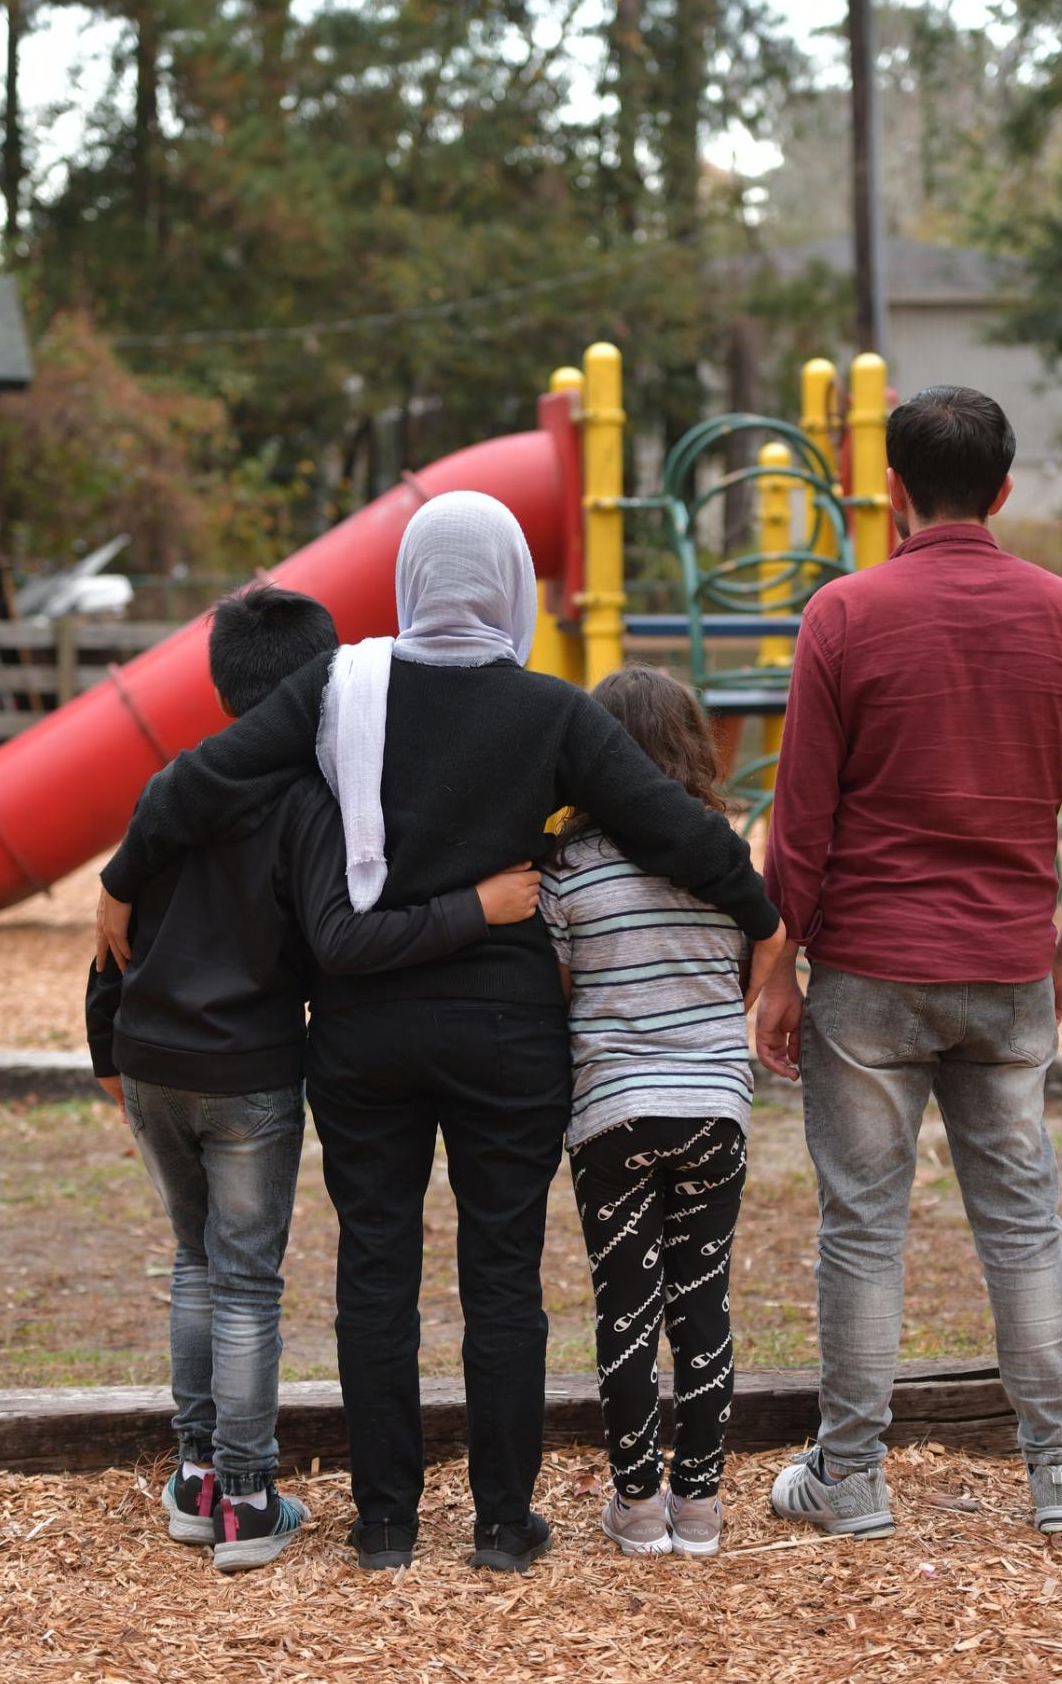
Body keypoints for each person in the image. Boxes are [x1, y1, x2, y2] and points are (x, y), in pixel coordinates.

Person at [93, 493, 783, 1575]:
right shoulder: (554, 712)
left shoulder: (339, 687)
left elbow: (204, 775)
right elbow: (669, 822)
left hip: (366, 1029)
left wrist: (121, 879)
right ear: (509, 585)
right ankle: (504, 1523)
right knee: (502, 1272)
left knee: (376, 1269)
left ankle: (384, 1524)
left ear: (411, 580)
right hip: (509, 1035)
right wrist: (759, 907)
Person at [756, 385, 1062, 1539]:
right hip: (1005, 967)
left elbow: (803, 824)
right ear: (1007, 489)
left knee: (862, 1224)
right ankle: (1060, 1468)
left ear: (891, 491)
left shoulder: (842, 614)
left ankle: (851, 1476)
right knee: (1023, 1219)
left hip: (870, 972)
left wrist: (778, 968)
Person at [87, 583, 541, 1573]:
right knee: (245, 1276)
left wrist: (104, 1049)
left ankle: (197, 1474)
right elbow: (339, 939)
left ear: (218, 682)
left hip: (152, 1057)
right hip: (245, 1065)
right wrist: (476, 907)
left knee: (195, 1262)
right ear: (323, 684)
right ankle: (247, 1496)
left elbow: (112, 931)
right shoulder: (310, 799)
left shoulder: (173, 785)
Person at [541, 666, 752, 1561]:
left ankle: (636, 1504)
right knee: (702, 1304)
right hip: (715, 1109)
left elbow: (558, 993)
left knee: (626, 1307)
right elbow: (743, 973)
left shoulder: (567, 872)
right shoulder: (724, 859)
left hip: (613, 1116)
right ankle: (698, 1506)